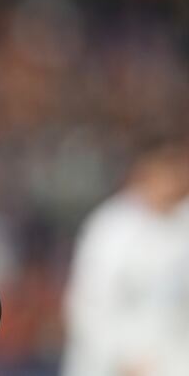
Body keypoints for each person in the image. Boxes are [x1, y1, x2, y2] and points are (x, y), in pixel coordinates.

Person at [62, 139, 189, 376]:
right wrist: (121, 358)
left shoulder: (183, 223)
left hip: (173, 359)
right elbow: (89, 306)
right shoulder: (110, 229)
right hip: (113, 364)